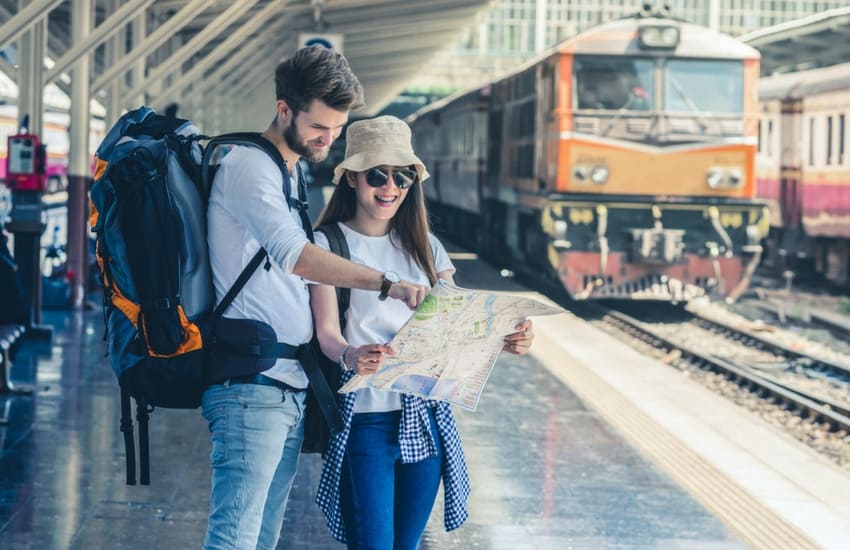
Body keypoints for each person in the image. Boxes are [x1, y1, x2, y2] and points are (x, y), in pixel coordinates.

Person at [203, 48, 430, 550]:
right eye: (319, 126)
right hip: (250, 385)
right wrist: (386, 283)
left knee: (261, 537)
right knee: (234, 538)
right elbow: (296, 256)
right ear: (284, 110)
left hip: (283, 383)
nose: (327, 138)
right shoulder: (250, 168)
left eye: (337, 126)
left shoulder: (287, 170)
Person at [309, 116, 535, 549]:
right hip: (365, 420)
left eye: (403, 176)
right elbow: (326, 335)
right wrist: (352, 355)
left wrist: (507, 337)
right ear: (353, 178)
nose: (390, 187)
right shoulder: (327, 245)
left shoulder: (426, 246)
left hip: (426, 417)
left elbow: (456, 324)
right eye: (377, 175)